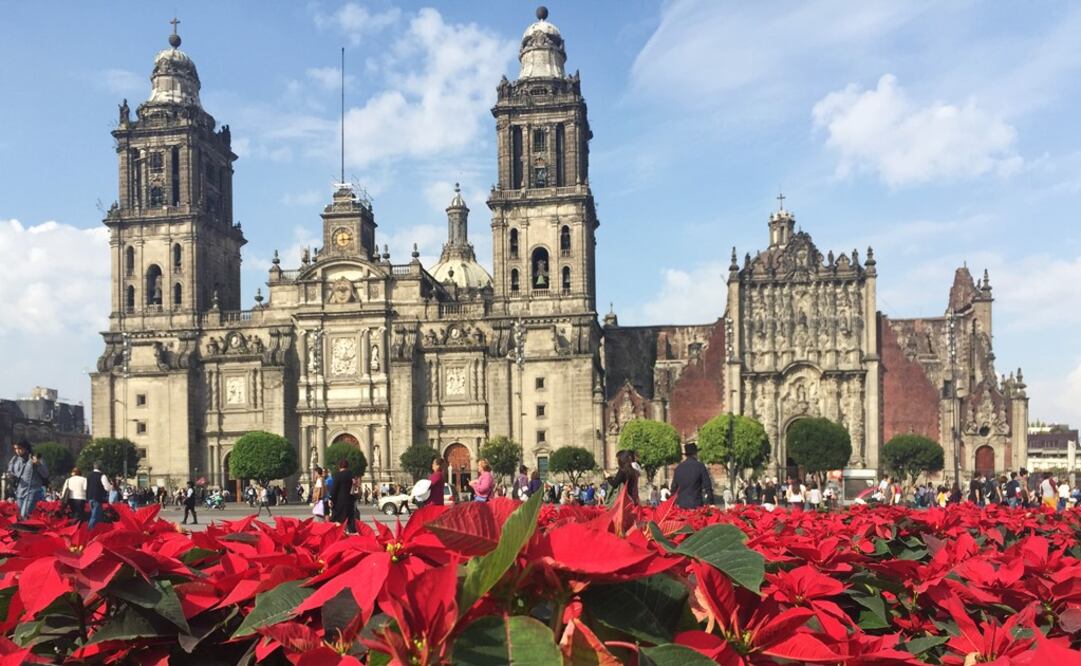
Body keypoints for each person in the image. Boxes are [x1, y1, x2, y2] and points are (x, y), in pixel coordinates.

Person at [6, 441, 49, 520]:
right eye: (15, 449)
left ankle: (24, 530)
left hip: (32, 491)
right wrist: (11, 476)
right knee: (20, 516)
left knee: (24, 514)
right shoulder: (15, 460)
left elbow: (45, 474)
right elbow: (12, 472)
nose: (17, 451)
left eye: (19, 448)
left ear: (26, 449)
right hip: (19, 492)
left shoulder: (35, 458)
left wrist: (38, 464)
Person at [669, 443, 712, 509]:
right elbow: (707, 486)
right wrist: (710, 502)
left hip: (681, 506)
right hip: (696, 504)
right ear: (695, 454)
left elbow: (673, 488)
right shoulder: (700, 466)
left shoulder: (678, 468)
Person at [329, 459, 356, 532]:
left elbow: (334, 489)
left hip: (339, 502)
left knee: (337, 519)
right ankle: (352, 536)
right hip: (350, 501)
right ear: (348, 466)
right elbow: (354, 488)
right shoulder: (351, 475)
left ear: (339, 466)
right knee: (350, 521)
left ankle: (339, 534)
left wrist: (330, 499)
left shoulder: (338, 475)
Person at [86, 462, 113, 529]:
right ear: (101, 467)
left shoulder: (88, 475)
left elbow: (85, 487)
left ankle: (97, 529)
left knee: (96, 515)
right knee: (95, 516)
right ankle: (89, 530)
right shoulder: (102, 475)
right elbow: (107, 488)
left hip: (90, 497)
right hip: (97, 498)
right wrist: (111, 486)